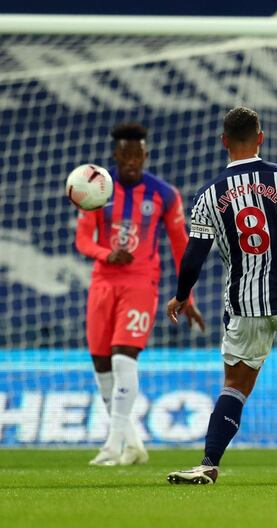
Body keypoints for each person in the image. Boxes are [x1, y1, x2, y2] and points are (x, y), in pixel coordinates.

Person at [165, 107, 277, 485]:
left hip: (243, 304)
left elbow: (193, 256)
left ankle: (208, 464)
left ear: (224, 142)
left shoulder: (208, 194)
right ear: (260, 138)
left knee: (235, 387)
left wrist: (182, 296)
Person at [75, 122, 205, 466]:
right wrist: (107, 254)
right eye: (125, 154)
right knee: (102, 364)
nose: (132, 160)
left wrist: (186, 295)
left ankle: (111, 447)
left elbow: (181, 247)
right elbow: (83, 240)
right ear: (115, 155)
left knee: (122, 358)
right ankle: (132, 444)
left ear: (146, 155)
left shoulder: (164, 194)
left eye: (138, 154)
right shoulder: (97, 190)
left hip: (140, 284)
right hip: (103, 283)